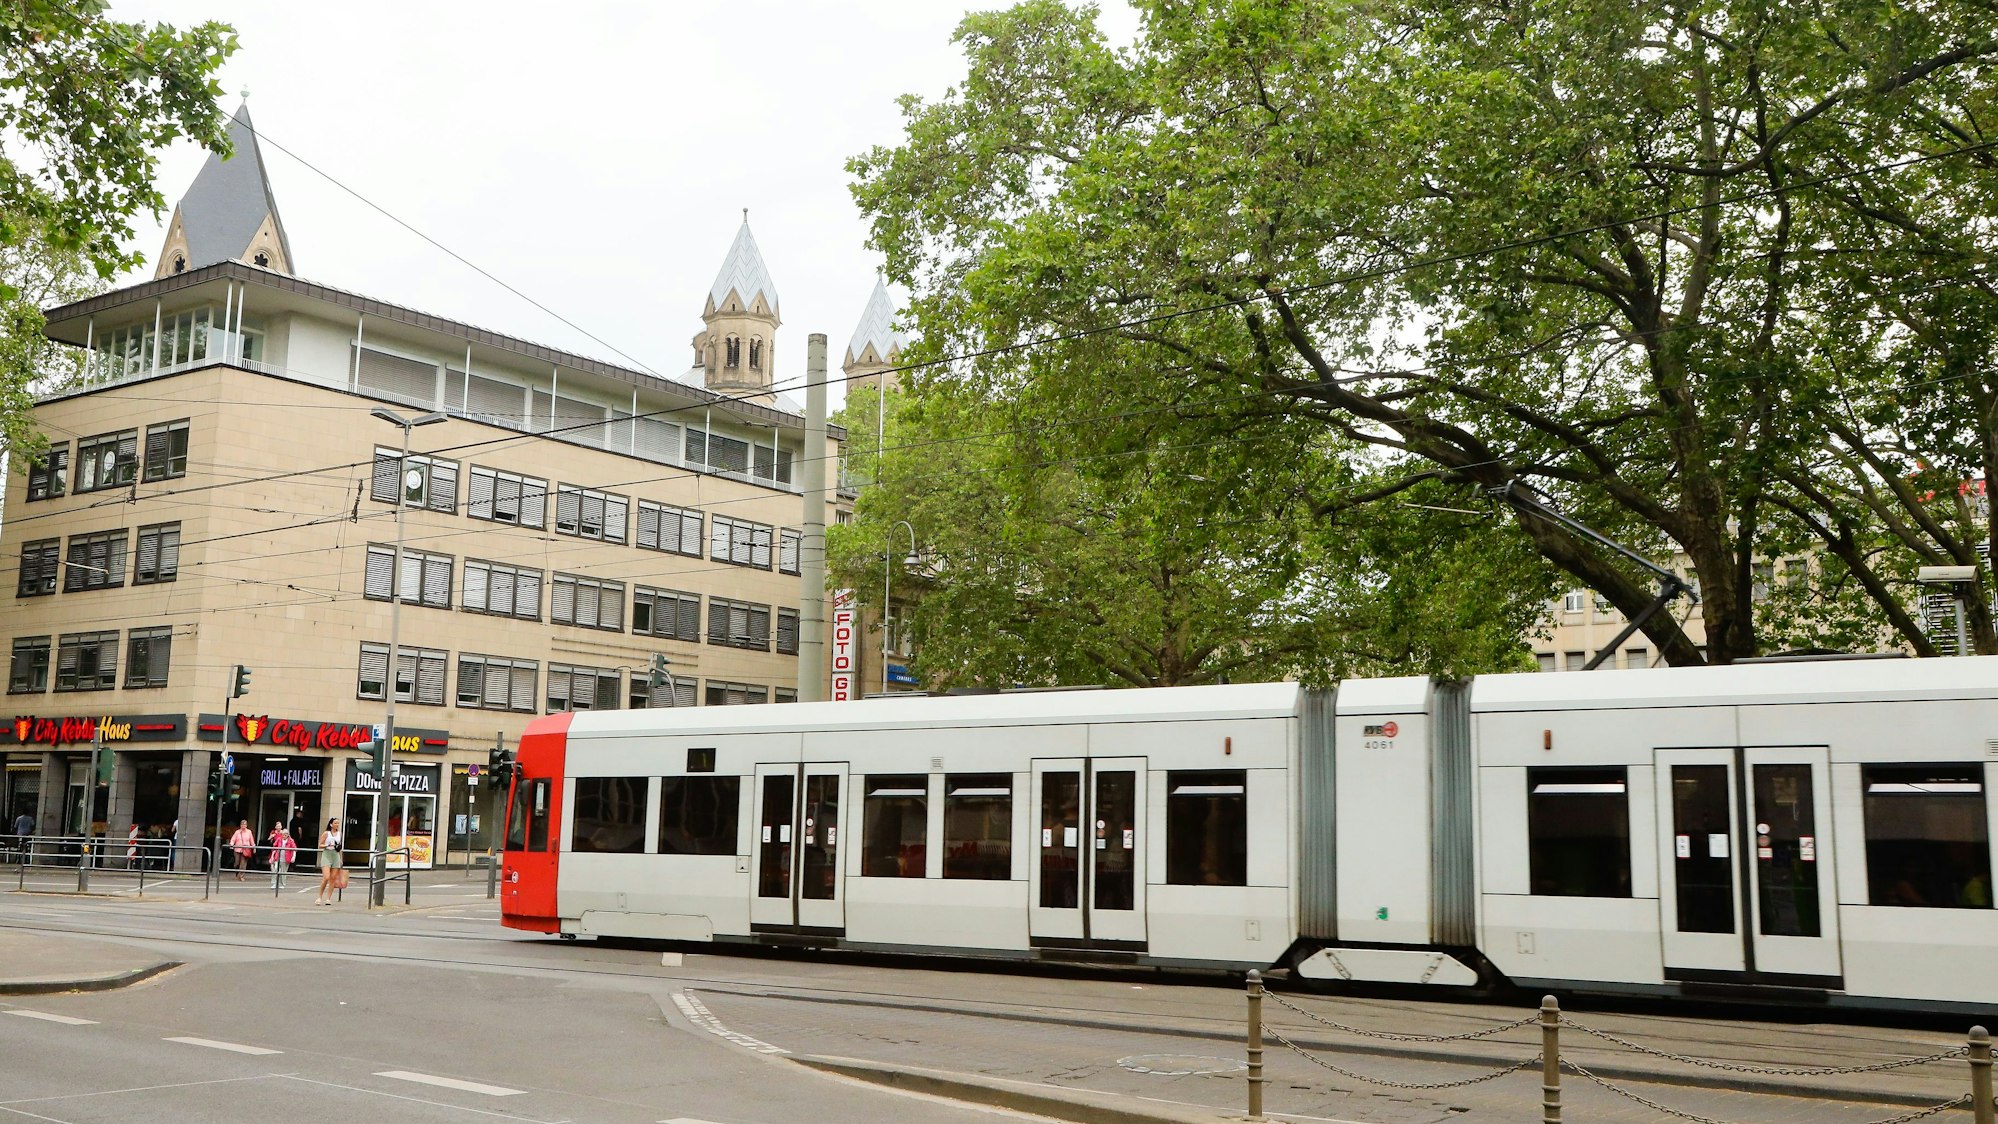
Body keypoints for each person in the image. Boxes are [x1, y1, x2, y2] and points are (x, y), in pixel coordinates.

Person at [315, 816, 344, 905]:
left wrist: (341, 858)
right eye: (335, 823)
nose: (337, 825)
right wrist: (328, 845)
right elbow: (320, 844)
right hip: (327, 854)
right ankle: (319, 897)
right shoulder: (326, 833)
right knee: (326, 877)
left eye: (338, 823)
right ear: (331, 824)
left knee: (333, 878)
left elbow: (339, 847)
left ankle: (328, 898)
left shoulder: (340, 833)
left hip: (335, 855)